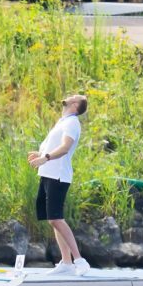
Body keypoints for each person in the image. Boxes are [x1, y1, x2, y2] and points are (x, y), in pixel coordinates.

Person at [28, 95, 91, 276]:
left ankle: (79, 260)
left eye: (73, 97)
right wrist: (40, 153)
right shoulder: (62, 121)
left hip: (58, 175)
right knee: (52, 220)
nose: (68, 96)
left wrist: (44, 158)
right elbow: (53, 145)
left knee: (56, 219)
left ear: (75, 105)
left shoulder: (72, 123)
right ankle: (66, 262)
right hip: (47, 174)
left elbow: (64, 148)